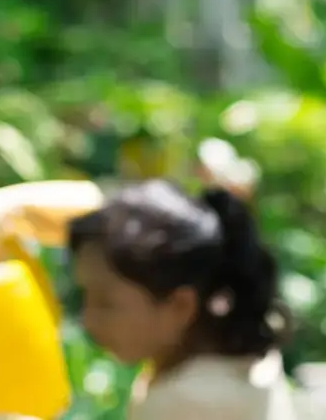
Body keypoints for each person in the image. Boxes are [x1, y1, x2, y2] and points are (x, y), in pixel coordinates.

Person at [66, 180, 302, 420]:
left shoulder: (186, 403)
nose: (88, 321)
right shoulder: (241, 354)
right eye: (85, 296)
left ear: (180, 305)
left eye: (107, 304)